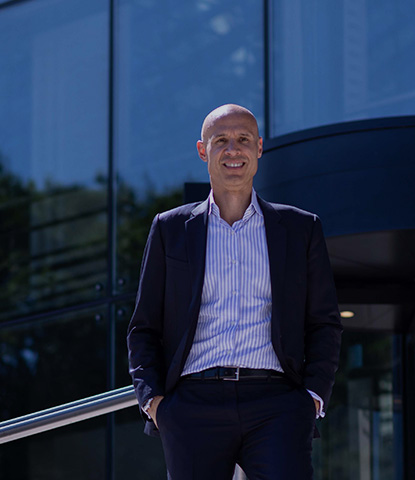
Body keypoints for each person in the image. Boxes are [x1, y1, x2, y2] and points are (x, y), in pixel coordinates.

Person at [126, 104, 343, 479]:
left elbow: (323, 322)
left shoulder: (300, 228)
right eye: (221, 140)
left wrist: (312, 399)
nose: (233, 150)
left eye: (243, 139)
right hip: (192, 404)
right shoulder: (170, 229)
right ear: (202, 150)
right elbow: (143, 327)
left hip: (277, 402)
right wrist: (155, 403)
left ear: (259, 147)